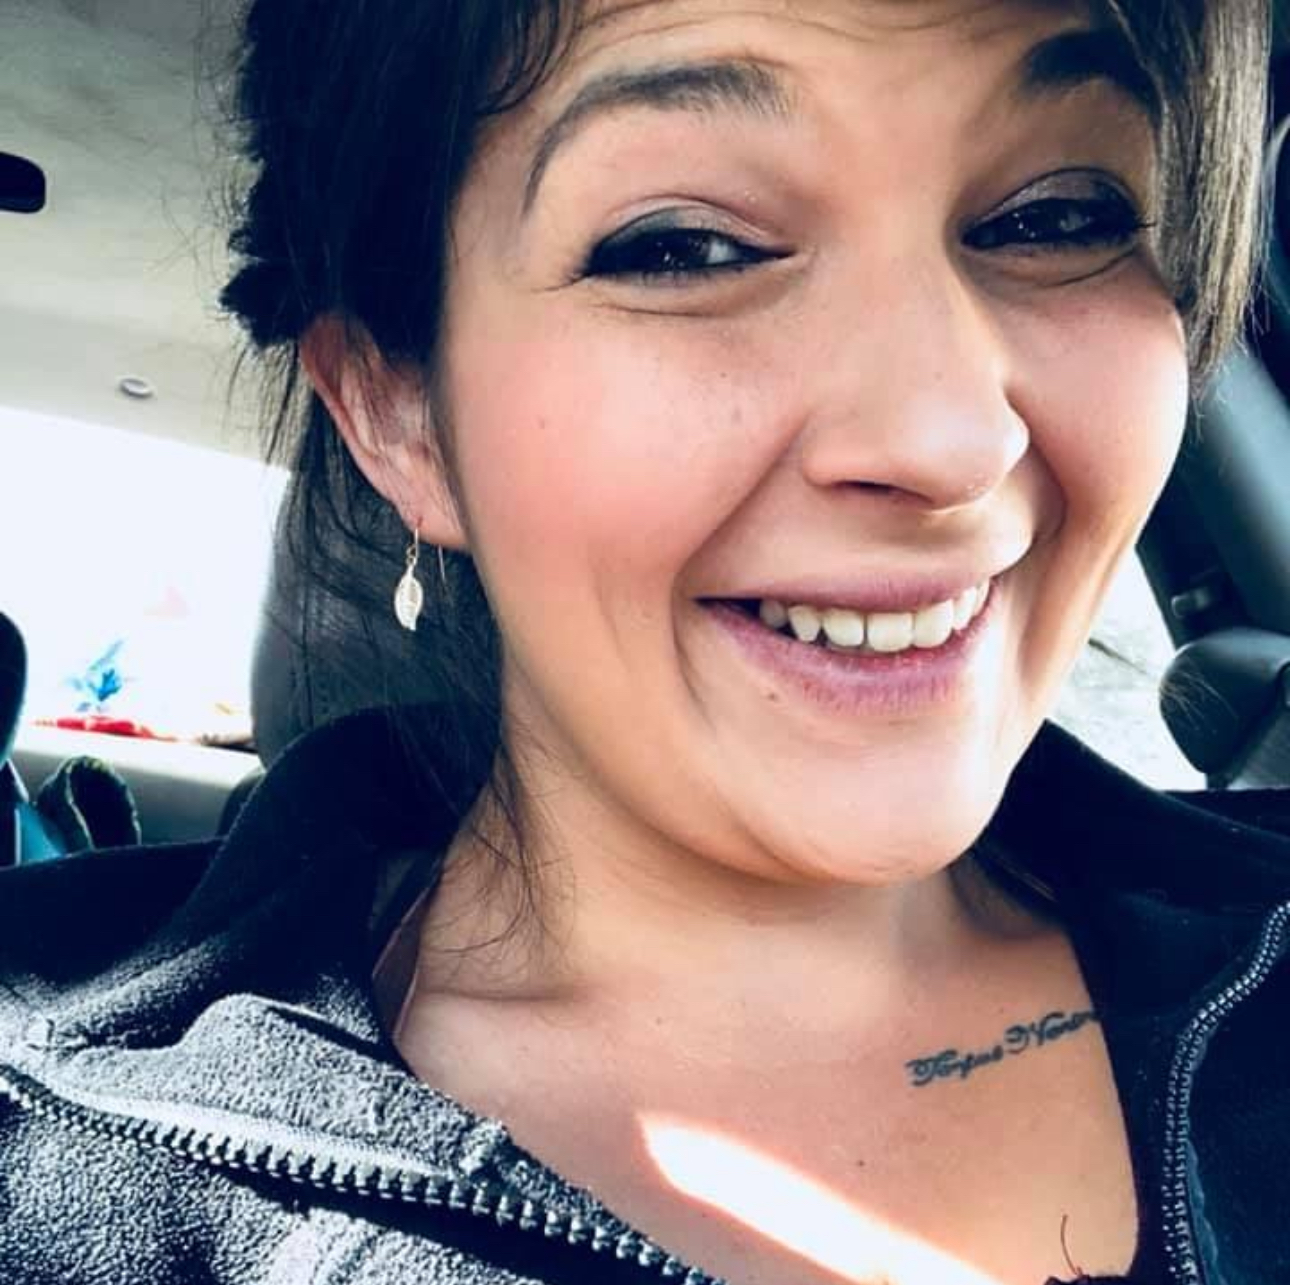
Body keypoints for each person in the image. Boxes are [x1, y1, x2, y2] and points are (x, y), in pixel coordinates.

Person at [0, 2, 1283, 1283]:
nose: (951, 441)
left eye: (1058, 218)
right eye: (686, 248)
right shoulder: (60, 1174)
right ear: (399, 413)